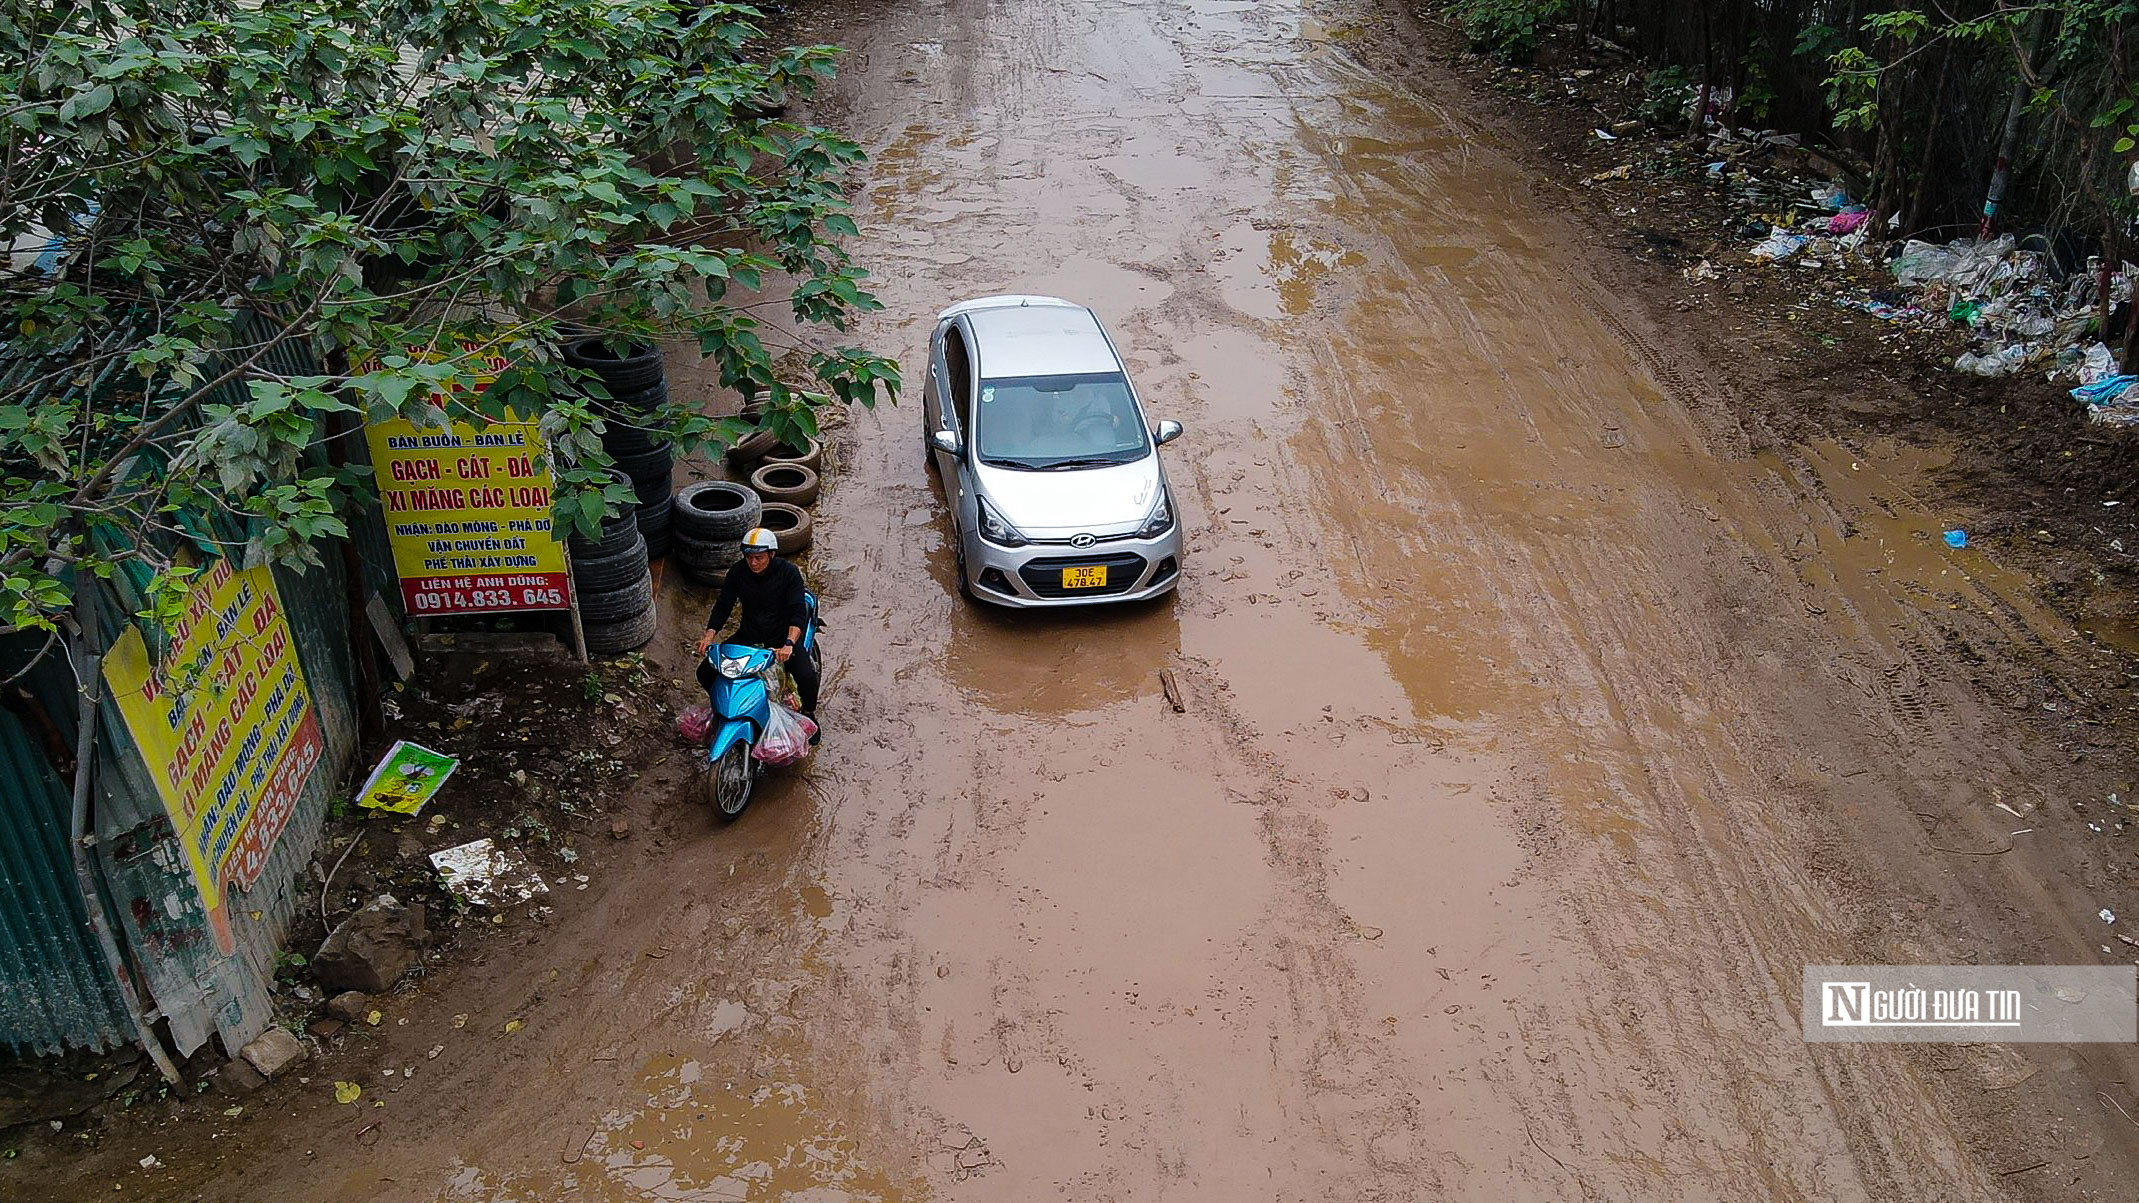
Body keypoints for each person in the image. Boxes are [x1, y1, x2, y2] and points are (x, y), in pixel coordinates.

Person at [694, 527, 819, 737]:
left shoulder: (788, 573)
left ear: (771, 554)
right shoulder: (737, 573)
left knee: (806, 676)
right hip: (749, 636)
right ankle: (726, 709)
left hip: (782, 637)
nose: (753, 563)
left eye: (759, 558)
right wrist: (709, 634)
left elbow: (797, 611)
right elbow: (724, 605)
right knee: (705, 672)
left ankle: (809, 713)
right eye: (749, 557)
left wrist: (788, 644)